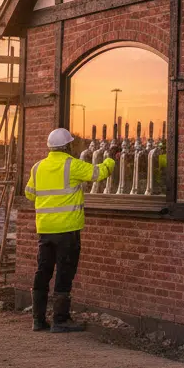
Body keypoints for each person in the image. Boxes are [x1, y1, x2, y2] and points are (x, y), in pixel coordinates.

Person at [24, 127, 116, 333]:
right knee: (64, 273)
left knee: (43, 271)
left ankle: (38, 320)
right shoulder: (72, 165)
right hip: (67, 229)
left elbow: (29, 194)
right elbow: (98, 173)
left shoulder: (37, 167)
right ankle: (60, 319)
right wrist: (110, 159)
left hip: (45, 230)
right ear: (67, 146)